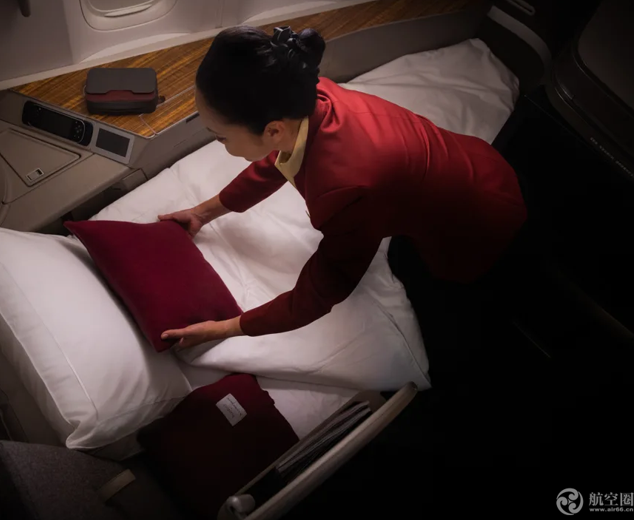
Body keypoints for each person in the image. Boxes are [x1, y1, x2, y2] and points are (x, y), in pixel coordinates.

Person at [158, 25, 527, 349]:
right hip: (478, 161)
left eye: (220, 137)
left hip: (477, 221)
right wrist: (202, 213)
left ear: (273, 130)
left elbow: (321, 290)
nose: (220, 144)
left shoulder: (347, 189)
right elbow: (277, 163)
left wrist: (224, 328)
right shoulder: (306, 96)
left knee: (433, 285)